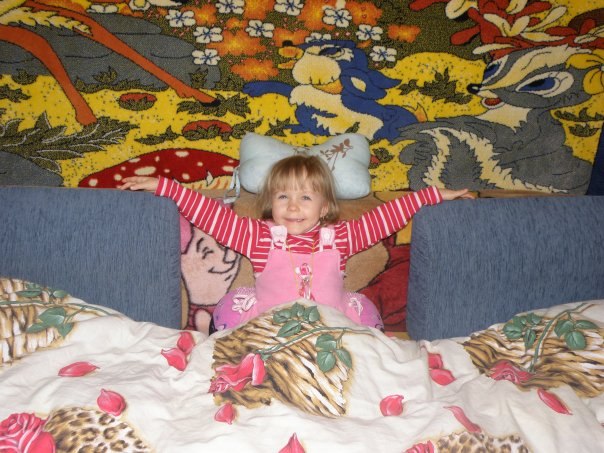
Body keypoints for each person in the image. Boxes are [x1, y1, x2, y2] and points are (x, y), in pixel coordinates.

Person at [120, 155, 472, 332]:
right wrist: (166, 187)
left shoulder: (341, 237)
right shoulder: (258, 237)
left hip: (332, 332)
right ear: (271, 203)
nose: (292, 206)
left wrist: (432, 195)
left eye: (305, 197)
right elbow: (213, 216)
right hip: (269, 333)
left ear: (325, 207)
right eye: (283, 196)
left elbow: (387, 216)